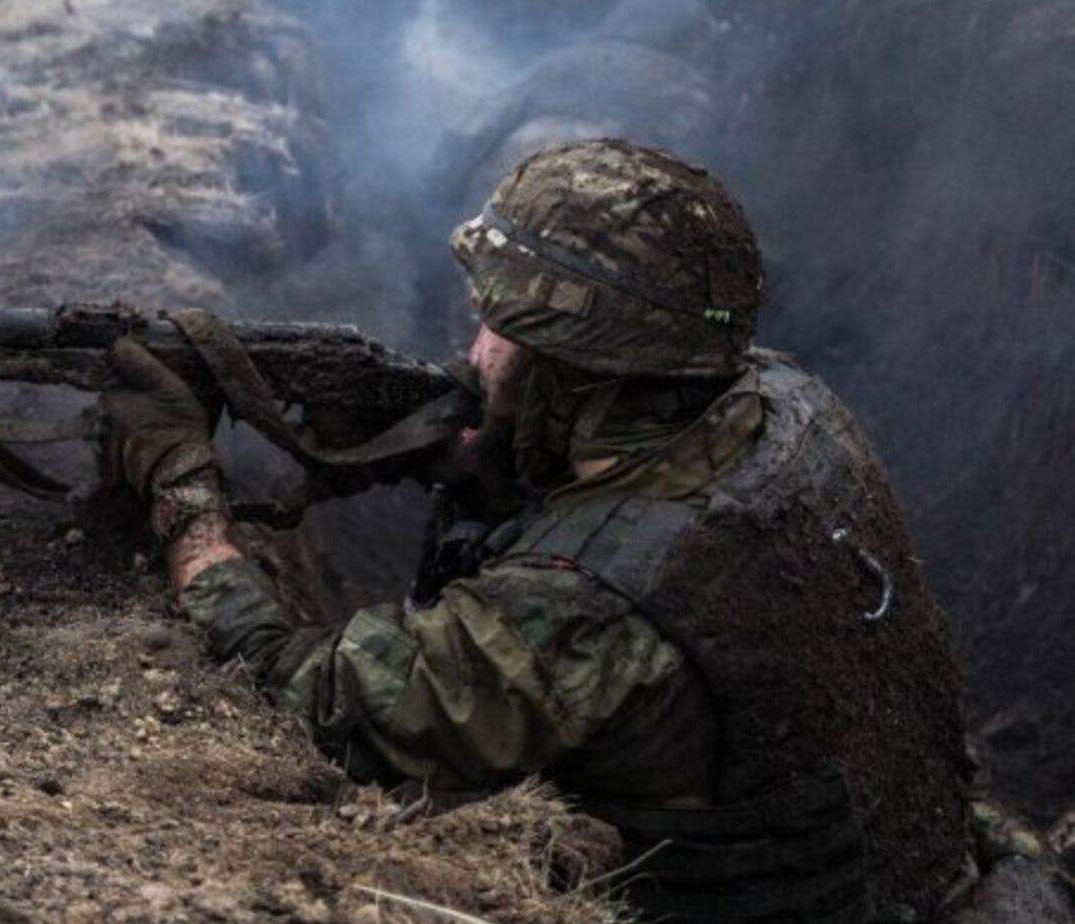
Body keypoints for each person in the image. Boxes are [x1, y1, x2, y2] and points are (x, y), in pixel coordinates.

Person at [101, 139, 1065, 922]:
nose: (473, 349)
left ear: (577, 370)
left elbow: (311, 698)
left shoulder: (582, 608)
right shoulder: (784, 402)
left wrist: (186, 496)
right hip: (931, 862)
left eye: (497, 331)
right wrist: (475, 451)